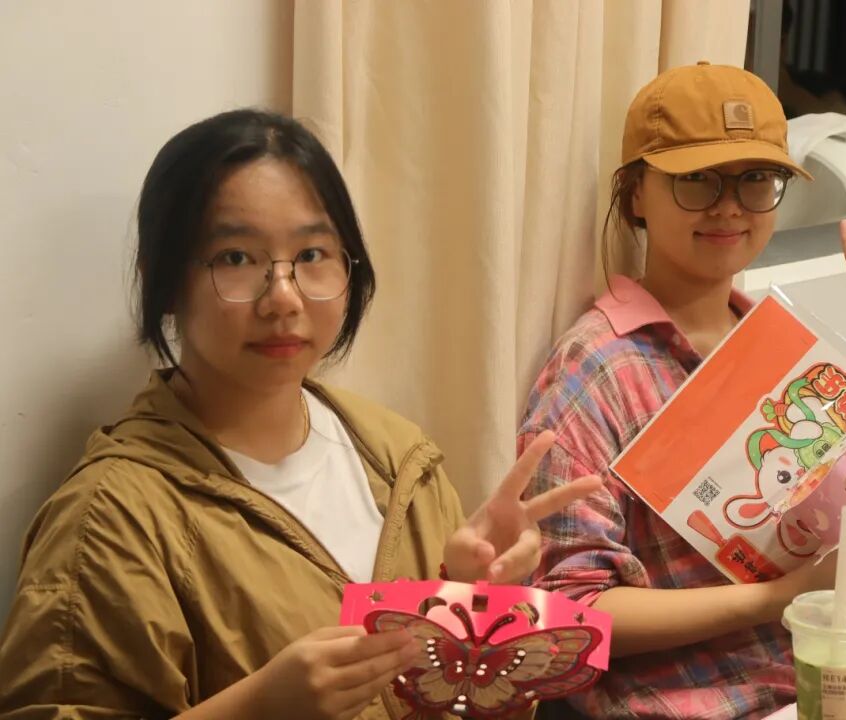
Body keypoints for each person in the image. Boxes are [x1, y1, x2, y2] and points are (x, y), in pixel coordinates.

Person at [0, 109, 601, 720]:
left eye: (312, 253)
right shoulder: (110, 517)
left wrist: (474, 599)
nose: (283, 298)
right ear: (163, 280)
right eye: (236, 258)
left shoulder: (397, 456)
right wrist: (257, 707)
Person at [519, 63, 846, 719]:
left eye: (755, 179)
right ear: (636, 194)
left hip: (826, 685)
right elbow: (573, 613)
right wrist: (778, 597)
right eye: (697, 179)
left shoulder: (781, 348)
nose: (729, 206)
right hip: (680, 704)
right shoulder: (596, 370)